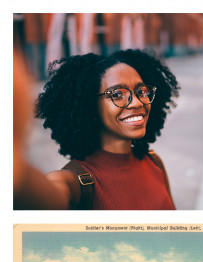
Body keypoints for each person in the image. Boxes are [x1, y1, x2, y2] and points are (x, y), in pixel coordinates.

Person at [17, 49, 179, 210]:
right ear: (91, 107)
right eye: (117, 95)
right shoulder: (74, 183)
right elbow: (39, 195)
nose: (137, 102)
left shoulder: (154, 162)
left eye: (142, 91)